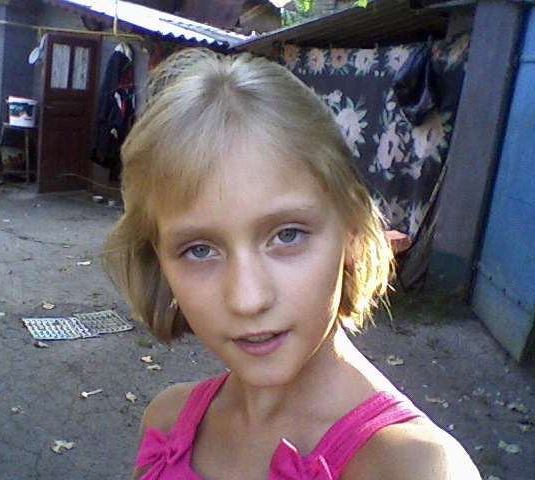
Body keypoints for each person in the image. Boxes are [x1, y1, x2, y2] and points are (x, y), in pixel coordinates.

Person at [104, 48, 481, 480]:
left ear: (353, 232)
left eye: (287, 235)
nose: (248, 299)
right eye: (200, 250)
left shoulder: (415, 467)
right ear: (160, 262)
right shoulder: (165, 422)